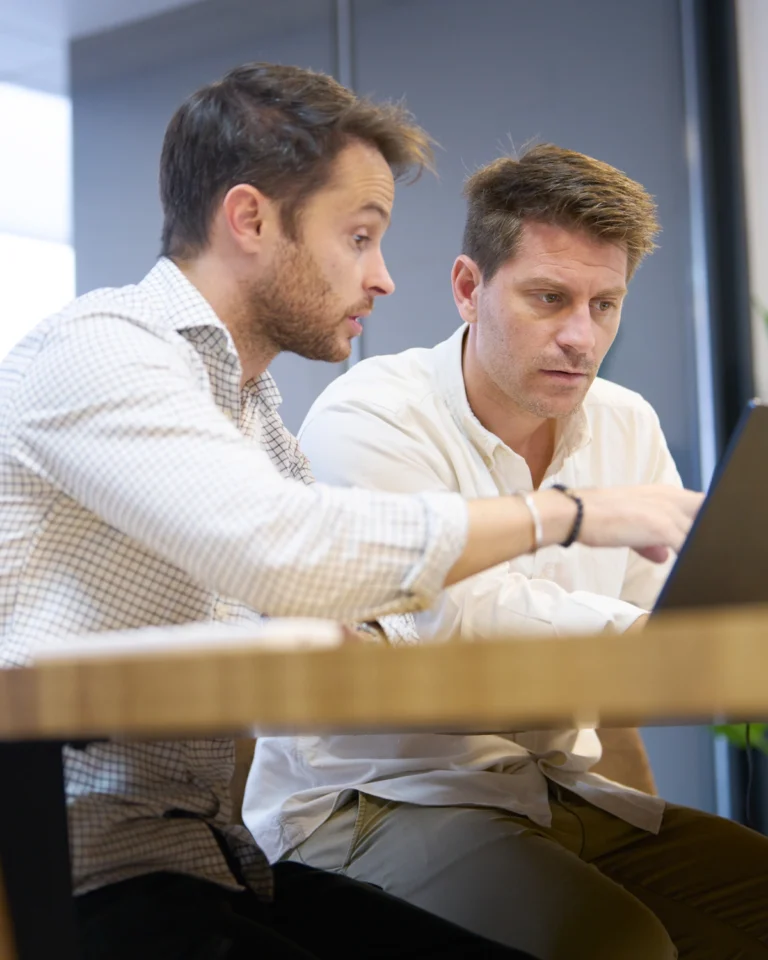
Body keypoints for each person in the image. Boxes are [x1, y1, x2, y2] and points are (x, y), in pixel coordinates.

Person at [243, 145, 768, 960]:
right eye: (549, 298)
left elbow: (659, 625)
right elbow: (455, 622)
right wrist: (643, 638)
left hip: (559, 791)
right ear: (467, 288)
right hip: (377, 800)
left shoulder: (625, 423)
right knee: (616, 943)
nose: (580, 337)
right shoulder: (371, 417)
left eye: (606, 304)